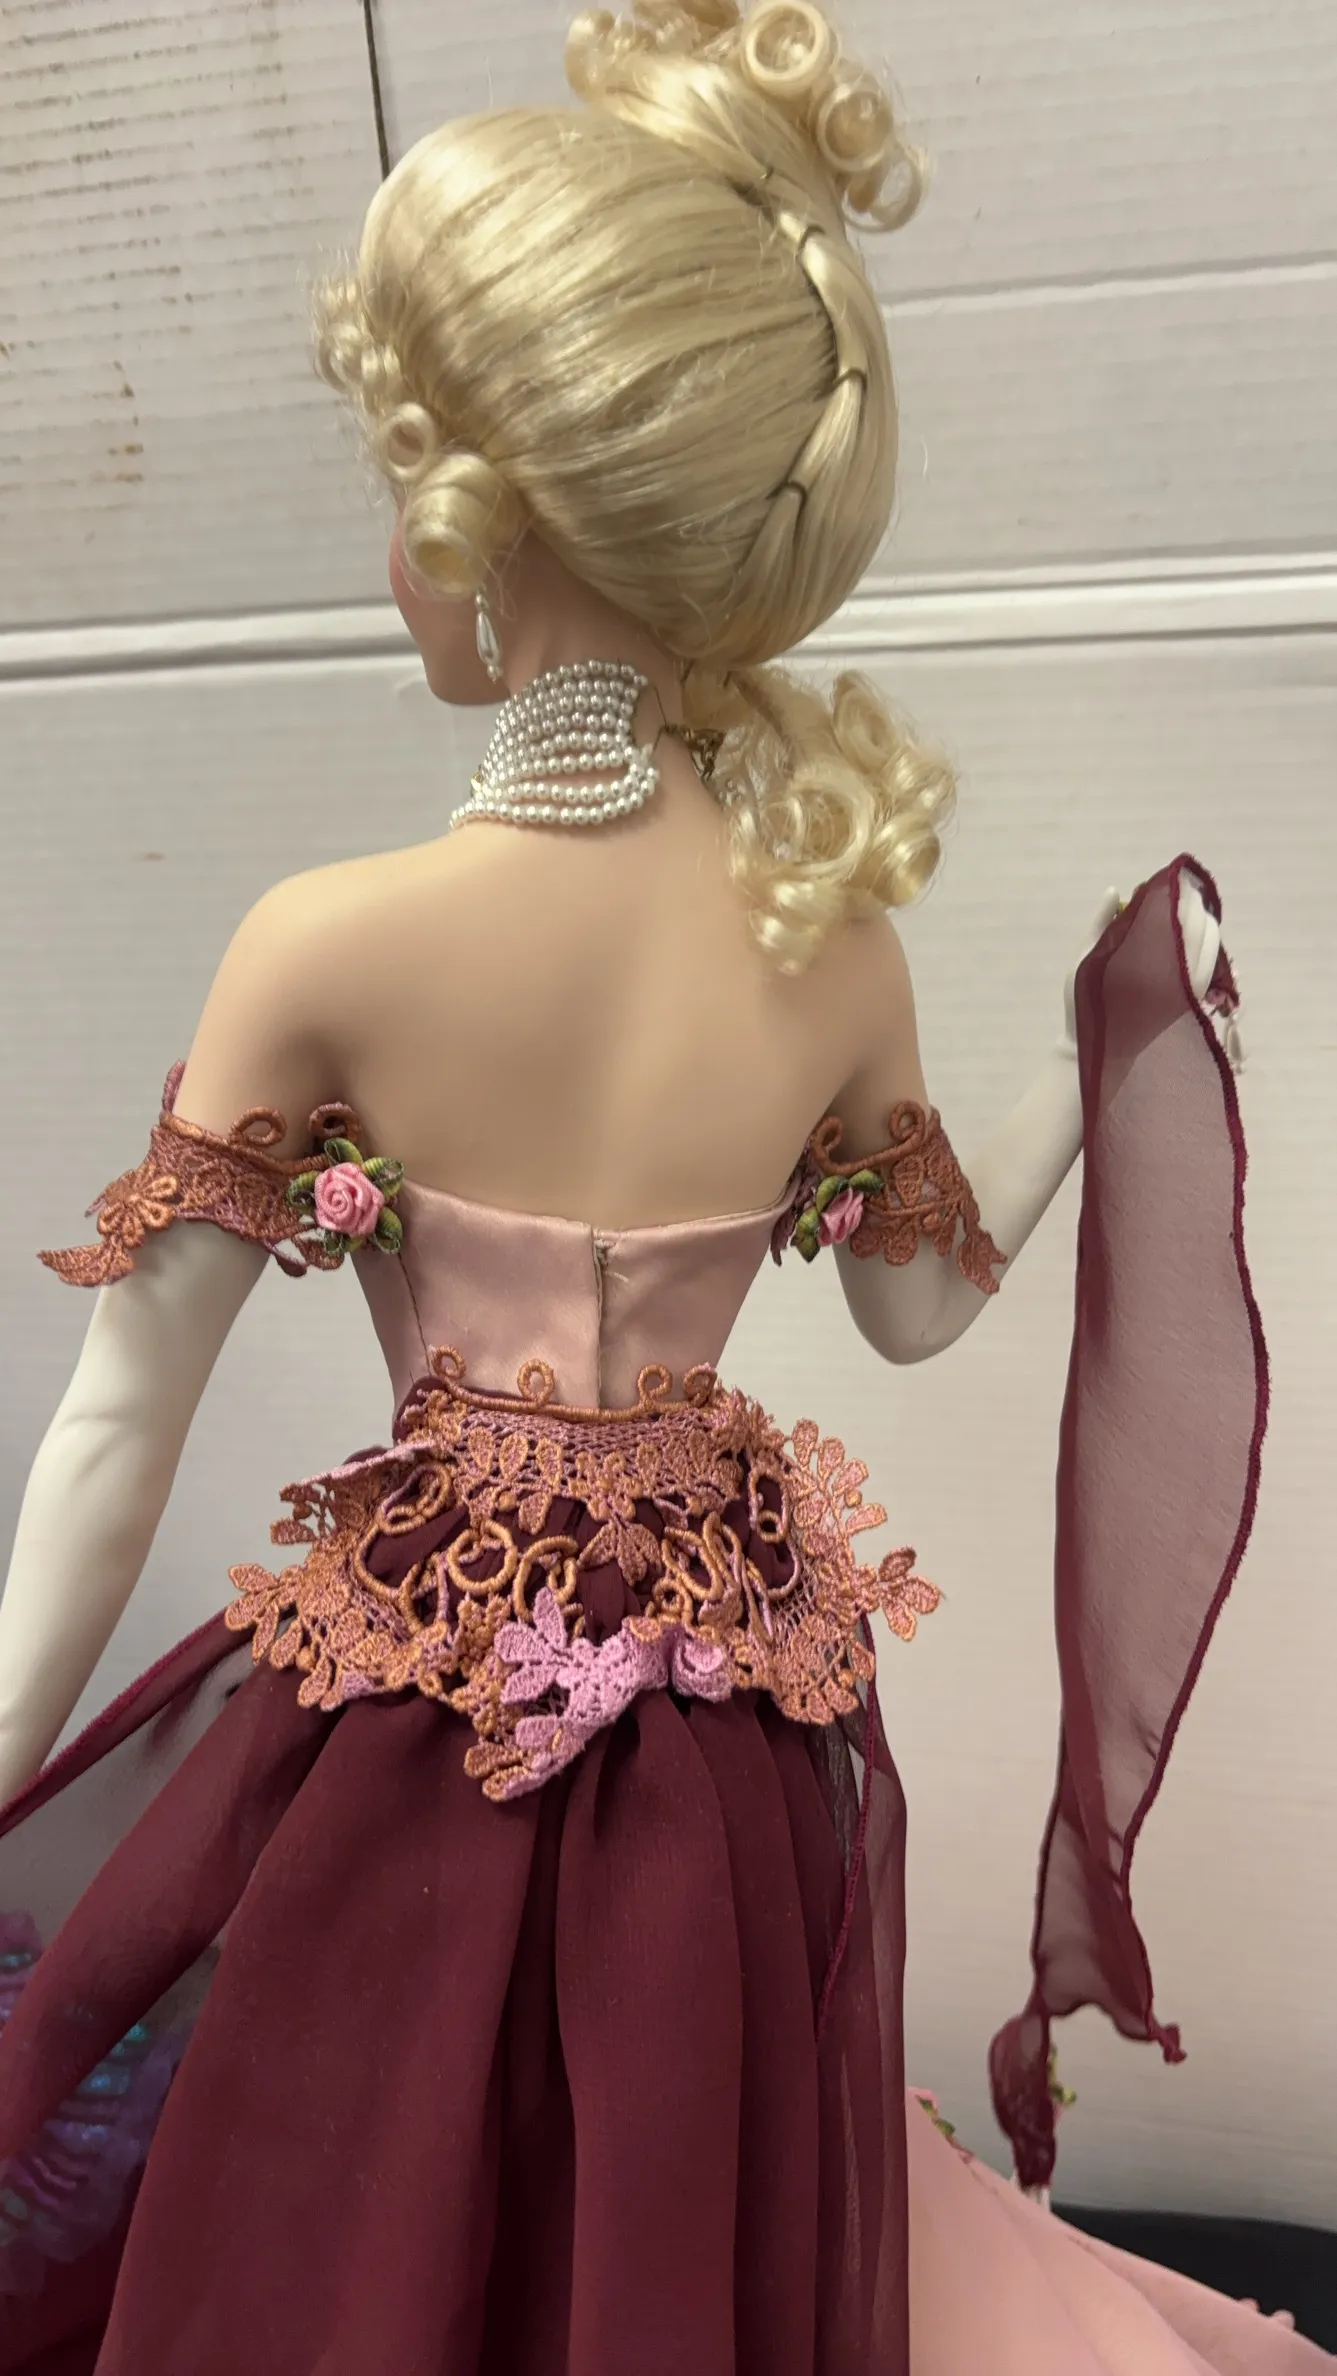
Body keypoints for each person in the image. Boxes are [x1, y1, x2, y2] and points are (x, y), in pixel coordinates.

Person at [0, 2, 1322, 2368]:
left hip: (417, 1726)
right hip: (727, 1752)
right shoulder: (827, 954)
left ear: (473, 528)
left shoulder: (332, 943)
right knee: (659, 2208)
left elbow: (120, 1417)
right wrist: (1064, 1065)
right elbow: (916, 1313)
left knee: (374, 2204)